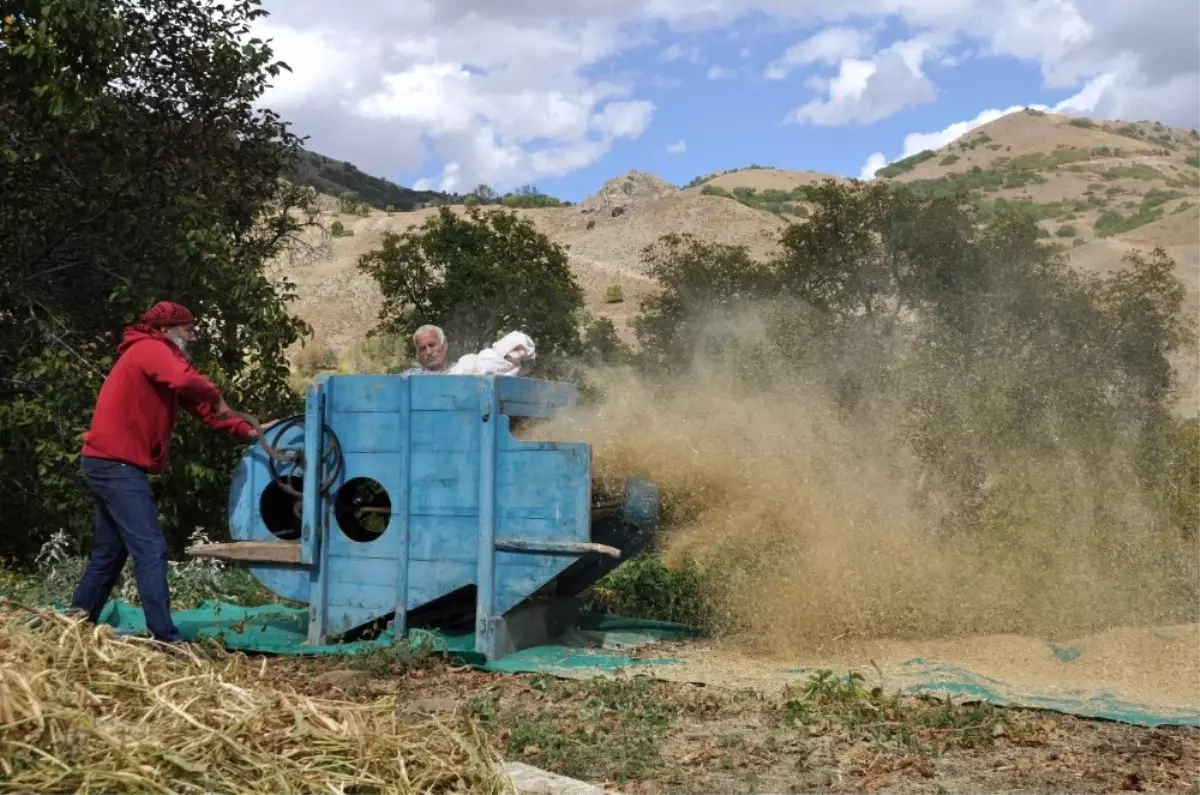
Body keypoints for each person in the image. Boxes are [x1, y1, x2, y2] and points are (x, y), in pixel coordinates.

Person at [68, 301, 258, 645]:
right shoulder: (149, 349)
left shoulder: (158, 355)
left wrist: (251, 432)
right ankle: (166, 639)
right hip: (116, 464)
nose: (194, 336)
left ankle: (73, 623)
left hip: (103, 461)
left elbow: (203, 410)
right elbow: (189, 383)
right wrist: (216, 395)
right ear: (168, 329)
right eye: (189, 329)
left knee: (111, 551)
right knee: (151, 548)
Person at [448, 331, 536, 376]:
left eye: (522, 350)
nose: (520, 353)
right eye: (516, 348)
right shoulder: (487, 356)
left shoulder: (515, 368)